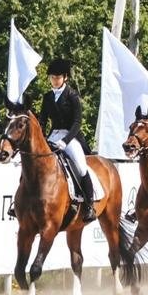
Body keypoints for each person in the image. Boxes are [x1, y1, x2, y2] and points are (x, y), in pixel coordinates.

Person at [39, 58, 96, 222]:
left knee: (81, 167)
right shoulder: (47, 97)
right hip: (53, 135)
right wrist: (41, 138)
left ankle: (89, 204)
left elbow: (77, 122)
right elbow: (42, 120)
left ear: (65, 78)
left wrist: (65, 141)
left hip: (71, 137)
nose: (54, 81)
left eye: (57, 78)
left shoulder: (72, 95)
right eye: (52, 78)